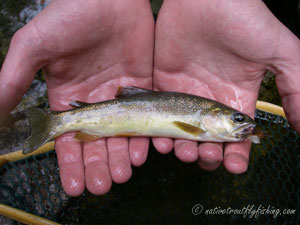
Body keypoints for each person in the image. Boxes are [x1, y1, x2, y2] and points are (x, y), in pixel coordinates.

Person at [0, 0, 299, 196]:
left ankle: (58, 123)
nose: (242, 123)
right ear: (211, 115)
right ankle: (54, 123)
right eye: (236, 118)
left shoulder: (205, 123)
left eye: (239, 120)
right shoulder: (199, 125)